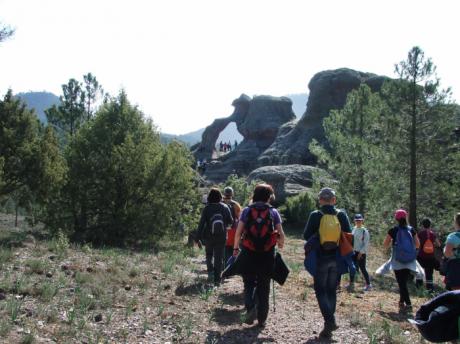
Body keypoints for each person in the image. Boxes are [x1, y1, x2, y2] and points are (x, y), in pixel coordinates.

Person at [233, 183, 285, 328]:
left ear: (255, 195)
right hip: (267, 254)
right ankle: (262, 319)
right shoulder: (273, 212)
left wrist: (236, 248)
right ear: (269, 196)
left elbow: (238, 232)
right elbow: (281, 235)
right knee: (264, 285)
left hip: (249, 251)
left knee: (249, 281)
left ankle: (250, 308)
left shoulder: (247, 211)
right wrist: (280, 244)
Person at [303, 187, 351, 339]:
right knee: (331, 290)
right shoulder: (341, 215)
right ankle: (328, 327)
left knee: (320, 290)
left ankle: (330, 321)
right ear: (334, 200)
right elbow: (349, 236)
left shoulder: (316, 215)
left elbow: (306, 236)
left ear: (320, 200)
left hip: (320, 258)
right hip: (337, 258)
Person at [383, 209, 420, 311]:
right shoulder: (411, 230)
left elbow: (385, 245)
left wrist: (393, 245)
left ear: (396, 218)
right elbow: (417, 245)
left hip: (397, 258)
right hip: (409, 258)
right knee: (403, 281)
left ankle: (408, 303)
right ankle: (401, 301)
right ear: (405, 217)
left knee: (401, 282)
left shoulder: (393, 230)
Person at [196, 188, 233, 287]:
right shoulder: (225, 207)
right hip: (222, 236)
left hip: (209, 236)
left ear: (209, 197)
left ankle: (210, 274)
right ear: (220, 197)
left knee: (209, 254)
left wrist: (197, 237)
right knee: (219, 257)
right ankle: (217, 281)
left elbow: (201, 224)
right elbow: (230, 221)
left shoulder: (207, 208)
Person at [417, 218, 441, 291]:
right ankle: (430, 289)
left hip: (421, 256)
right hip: (430, 257)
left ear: (422, 225)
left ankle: (419, 287)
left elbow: (416, 243)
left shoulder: (420, 233)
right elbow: (438, 244)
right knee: (429, 273)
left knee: (419, 271)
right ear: (430, 225)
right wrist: (432, 244)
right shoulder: (432, 234)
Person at [350, 214, 372, 291]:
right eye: (357, 220)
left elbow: (366, 244)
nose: (358, 221)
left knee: (362, 268)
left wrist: (360, 253)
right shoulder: (354, 229)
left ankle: (368, 285)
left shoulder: (365, 231)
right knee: (352, 268)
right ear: (354, 221)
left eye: (359, 220)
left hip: (361, 253)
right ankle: (351, 283)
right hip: (353, 251)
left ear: (362, 221)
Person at [222, 186, 242, 264]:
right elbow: (240, 218)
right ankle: (230, 266)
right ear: (232, 194)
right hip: (233, 230)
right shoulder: (235, 204)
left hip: (222, 230)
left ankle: (223, 265)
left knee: (223, 248)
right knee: (233, 248)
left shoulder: (220, 203)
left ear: (224, 193)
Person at [443, 212, 460, 290]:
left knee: (456, 296)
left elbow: (447, 253)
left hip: (456, 268)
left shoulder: (453, 237)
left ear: (456, 222)